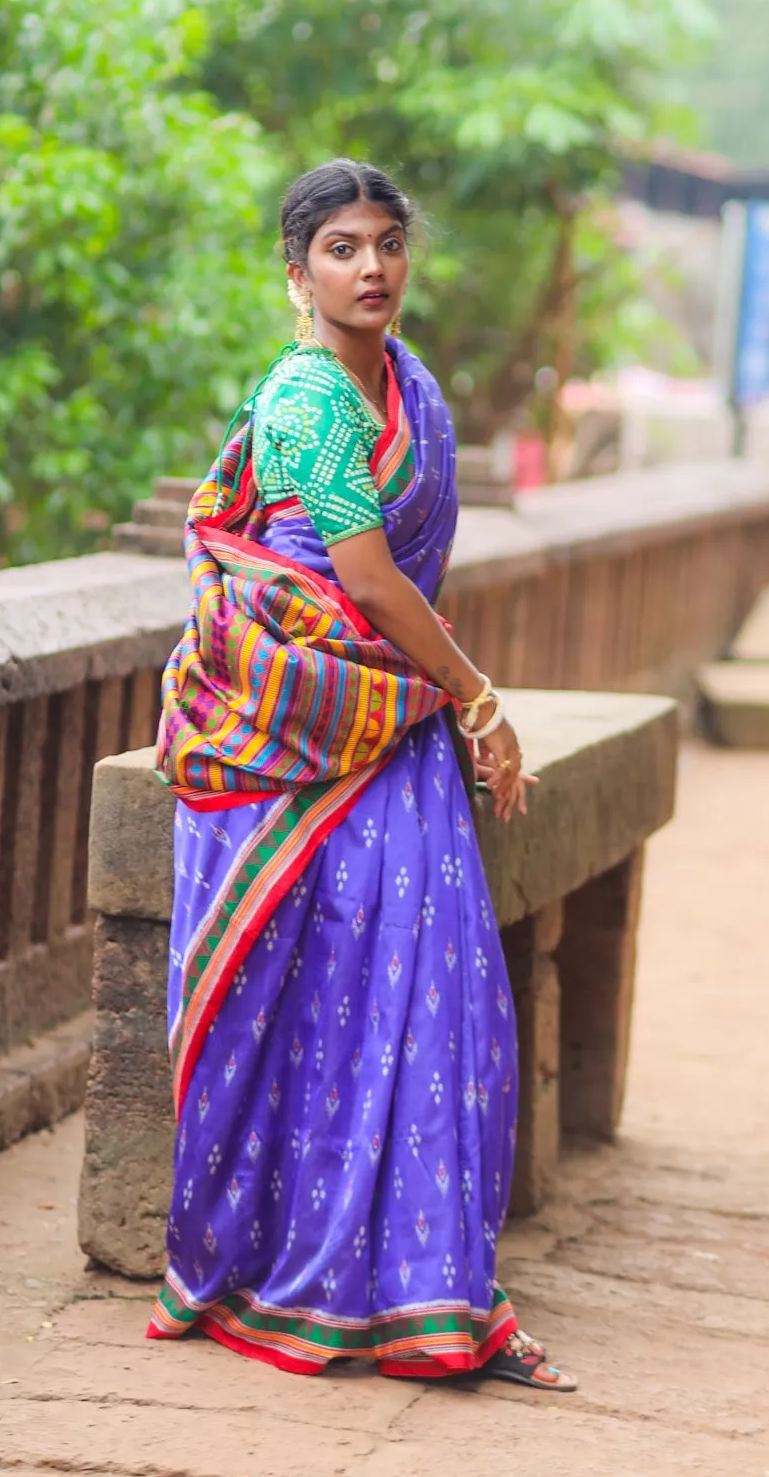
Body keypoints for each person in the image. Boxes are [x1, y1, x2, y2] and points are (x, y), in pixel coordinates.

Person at [145, 159, 577, 1392]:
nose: (371, 266)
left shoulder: (409, 389)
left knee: (433, 993)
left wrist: (446, 702)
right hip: (291, 728)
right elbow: (372, 578)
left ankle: (430, 1290)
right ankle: (300, 1271)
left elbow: (394, 594)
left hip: (389, 720)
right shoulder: (307, 398)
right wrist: (477, 696)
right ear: (297, 272)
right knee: (335, 995)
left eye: (386, 242)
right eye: (341, 246)